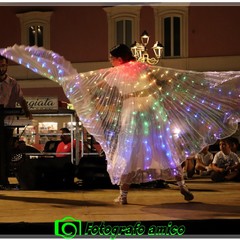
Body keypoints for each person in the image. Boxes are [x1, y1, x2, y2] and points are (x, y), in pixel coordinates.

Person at [0, 44, 239, 203]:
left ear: (119, 58)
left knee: (127, 152)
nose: (110, 62)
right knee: (163, 151)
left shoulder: (118, 73)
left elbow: (94, 87)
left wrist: (71, 86)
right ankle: (182, 185)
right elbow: (162, 85)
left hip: (134, 113)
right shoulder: (145, 68)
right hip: (152, 112)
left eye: (112, 58)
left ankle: (123, 195)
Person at [0, 55, 32, 189]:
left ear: (7, 66)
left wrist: (27, 111)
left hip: (6, 118)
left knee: (6, 150)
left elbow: (21, 98)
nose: (1, 68)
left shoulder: (12, 82)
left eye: (3, 65)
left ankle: (3, 179)